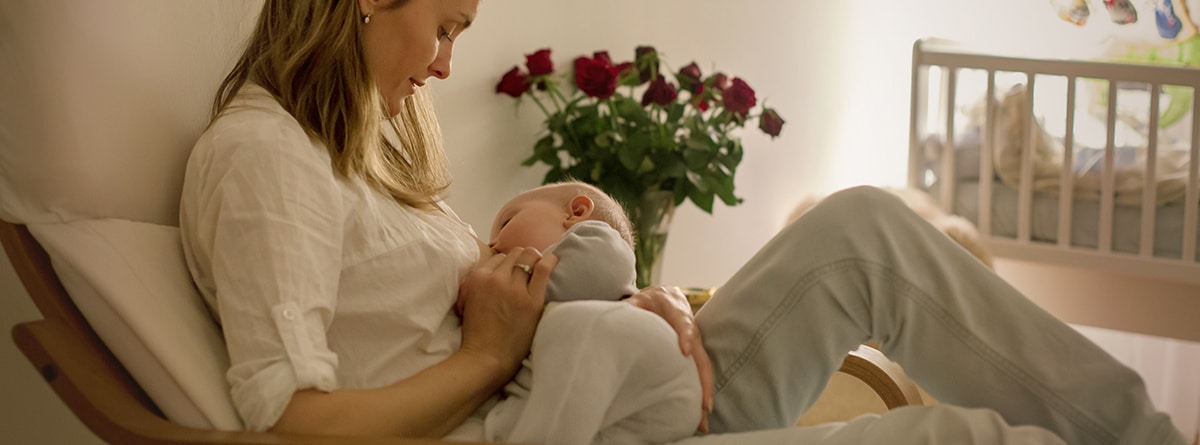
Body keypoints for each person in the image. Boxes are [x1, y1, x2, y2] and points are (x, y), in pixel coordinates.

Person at [178, 0, 1189, 443]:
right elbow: (286, 421)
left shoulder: (363, 154)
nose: (446, 63)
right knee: (973, 437)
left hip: (605, 385)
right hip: (554, 423)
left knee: (867, 225)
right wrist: (490, 358)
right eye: (442, 27)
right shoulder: (266, 158)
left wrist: (633, 298)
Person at [476, 181, 701, 444]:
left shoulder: (597, 241)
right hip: (612, 412)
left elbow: (585, 278)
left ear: (577, 212)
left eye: (505, 223)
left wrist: (480, 292)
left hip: (653, 378)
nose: (492, 244)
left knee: (572, 324)